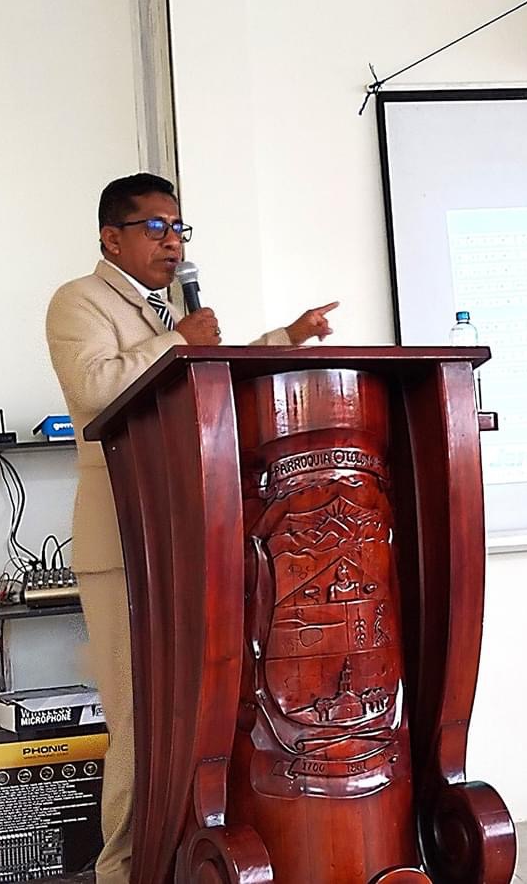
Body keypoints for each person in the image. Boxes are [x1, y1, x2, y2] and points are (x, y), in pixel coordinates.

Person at [44, 172, 337, 883]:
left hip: (189, 534)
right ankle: (122, 871)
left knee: (198, 712)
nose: (172, 242)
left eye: (178, 229)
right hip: (124, 540)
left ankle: (182, 857)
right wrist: (176, 339)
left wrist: (289, 338)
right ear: (111, 237)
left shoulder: (172, 310)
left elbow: (212, 378)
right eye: (155, 227)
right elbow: (94, 391)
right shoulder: (78, 301)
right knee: (139, 718)